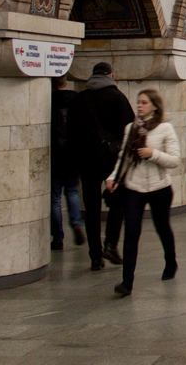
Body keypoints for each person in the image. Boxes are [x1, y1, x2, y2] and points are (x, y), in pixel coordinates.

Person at [106, 89, 180, 296]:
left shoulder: (165, 128)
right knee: (131, 232)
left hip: (159, 187)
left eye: (144, 102)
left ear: (155, 106)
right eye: (138, 102)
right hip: (134, 187)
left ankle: (171, 262)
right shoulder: (131, 128)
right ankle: (127, 282)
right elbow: (123, 158)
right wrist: (113, 177)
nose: (139, 106)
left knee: (162, 227)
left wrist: (153, 153)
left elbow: (175, 160)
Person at [67, 61, 134, 270]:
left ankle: (95, 256)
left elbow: (70, 132)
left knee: (92, 208)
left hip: (86, 161)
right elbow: (129, 130)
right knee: (118, 200)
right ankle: (111, 244)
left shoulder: (79, 99)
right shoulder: (117, 97)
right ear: (110, 75)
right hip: (112, 159)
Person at [49, 76, 84, 251]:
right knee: (72, 191)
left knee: (55, 197)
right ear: (66, 82)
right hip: (73, 154)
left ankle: (58, 238)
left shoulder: (48, 101)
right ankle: (76, 222)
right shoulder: (77, 100)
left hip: (55, 155)